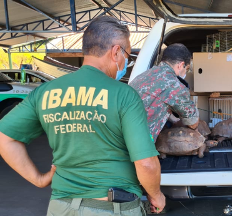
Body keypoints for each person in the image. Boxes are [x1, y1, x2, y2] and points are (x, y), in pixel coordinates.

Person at [0, 16, 165, 215]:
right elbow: (145, 162)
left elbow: (4, 138)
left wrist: (39, 179)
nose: (125, 62)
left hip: (61, 207)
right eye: (127, 56)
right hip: (110, 207)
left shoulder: (45, 92)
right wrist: (156, 195)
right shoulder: (124, 95)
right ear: (116, 52)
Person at [130, 43, 199, 142]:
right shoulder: (175, 85)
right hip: (137, 145)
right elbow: (193, 123)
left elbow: (155, 103)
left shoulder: (143, 76)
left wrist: (174, 120)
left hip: (119, 137)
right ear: (181, 65)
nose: (185, 73)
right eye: (186, 69)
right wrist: (195, 111)